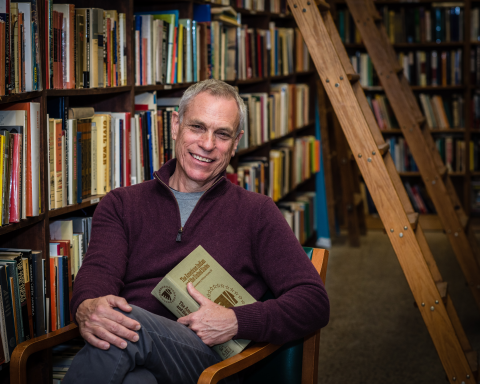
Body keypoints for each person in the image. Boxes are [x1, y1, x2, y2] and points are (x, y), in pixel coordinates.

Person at [63, 79, 330, 384]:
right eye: (197, 127)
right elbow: (97, 277)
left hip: (208, 363)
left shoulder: (257, 213)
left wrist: (236, 321)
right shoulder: (122, 204)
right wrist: (86, 306)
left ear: (236, 142)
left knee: (126, 324)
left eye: (222, 134)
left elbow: (313, 302)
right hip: (131, 355)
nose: (207, 144)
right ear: (175, 125)